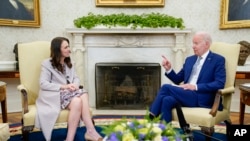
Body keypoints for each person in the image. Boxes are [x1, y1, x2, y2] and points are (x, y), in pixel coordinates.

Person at [35, 37, 103, 141]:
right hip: (55, 95)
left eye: (69, 46)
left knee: (78, 100)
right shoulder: (47, 63)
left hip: (70, 93)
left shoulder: (69, 62)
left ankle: (70, 139)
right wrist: (64, 86)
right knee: (82, 95)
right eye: (66, 47)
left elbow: (76, 78)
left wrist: (75, 85)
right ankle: (91, 131)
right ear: (58, 50)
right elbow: (43, 83)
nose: (69, 49)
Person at [149, 31, 226, 123]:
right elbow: (178, 80)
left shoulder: (218, 60)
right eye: (193, 43)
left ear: (206, 44)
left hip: (201, 97)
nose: (193, 46)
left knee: (166, 87)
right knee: (167, 99)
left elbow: (219, 83)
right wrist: (169, 69)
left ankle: (151, 115)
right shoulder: (190, 60)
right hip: (186, 95)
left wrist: (195, 87)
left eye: (196, 43)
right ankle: (166, 132)